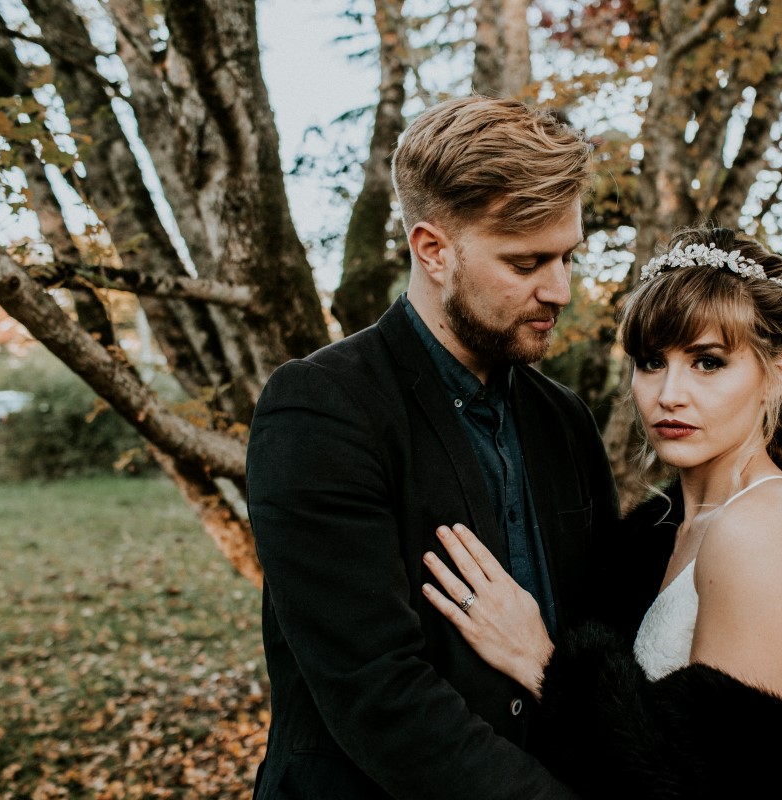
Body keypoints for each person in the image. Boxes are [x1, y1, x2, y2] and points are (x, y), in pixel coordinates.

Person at [245, 95, 623, 799]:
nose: (561, 289)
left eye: (568, 256)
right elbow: (377, 694)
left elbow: (602, 635)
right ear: (433, 250)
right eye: (526, 262)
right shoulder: (321, 408)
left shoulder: (564, 419)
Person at [424, 227, 782, 798]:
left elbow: (708, 789)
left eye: (708, 362)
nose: (669, 393)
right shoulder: (665, 527)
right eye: (651, 361)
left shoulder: (763, 527)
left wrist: (543, 663)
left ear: (778, 373)